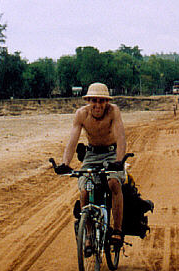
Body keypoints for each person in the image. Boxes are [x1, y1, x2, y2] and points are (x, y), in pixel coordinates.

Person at [54, 82, 126, 248]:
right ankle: (89, 235)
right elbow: (72, 140)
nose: (98, 105)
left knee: (114, 183)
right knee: (85, 191)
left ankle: (117, 230)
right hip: (91, 154)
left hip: (111, 153)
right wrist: (65, 163)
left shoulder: (113, 111)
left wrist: (119, 161)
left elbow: (121, 137)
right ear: (88, 101)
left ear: (107, 102)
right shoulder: (81, 114)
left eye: (101, 101)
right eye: (94, 100)